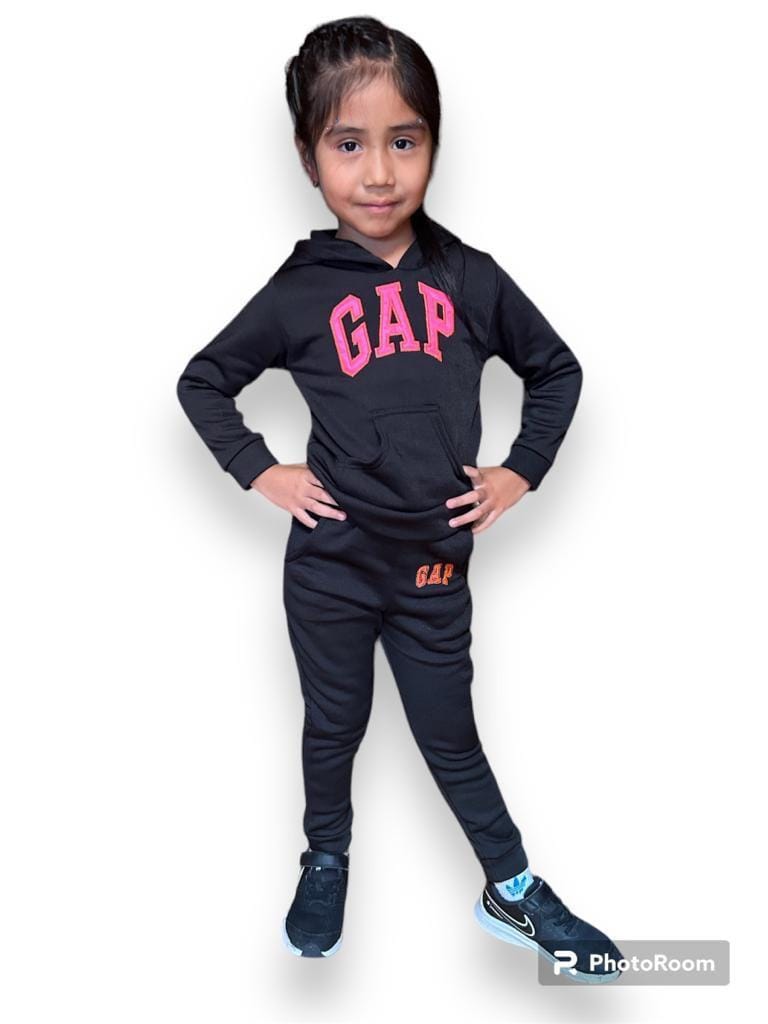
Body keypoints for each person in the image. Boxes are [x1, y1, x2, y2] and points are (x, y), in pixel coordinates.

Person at [176, 15, 623, 983]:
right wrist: (263, 470)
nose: (379, 173)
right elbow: (203, 380)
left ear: (434, 145)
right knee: (333, 727)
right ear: (308, 157)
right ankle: (325, 858)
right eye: (349, 144)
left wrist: (520, 469)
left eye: (404, 141)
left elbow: (557, 369)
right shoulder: (299, 291)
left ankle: (511, 888)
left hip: (431, 571)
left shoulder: (470, 278)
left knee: (450, 736)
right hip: (331, 569)